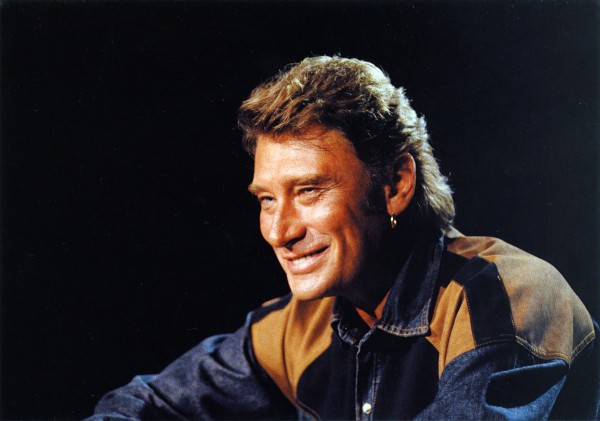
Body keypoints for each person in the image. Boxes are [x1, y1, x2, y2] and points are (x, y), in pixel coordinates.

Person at [89, 56, 599, 420]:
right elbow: (139, 406)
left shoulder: (507, 296)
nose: (280, 232)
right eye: (267, 199)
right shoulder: (299, 325)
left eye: (309, 190)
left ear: (395, 184)